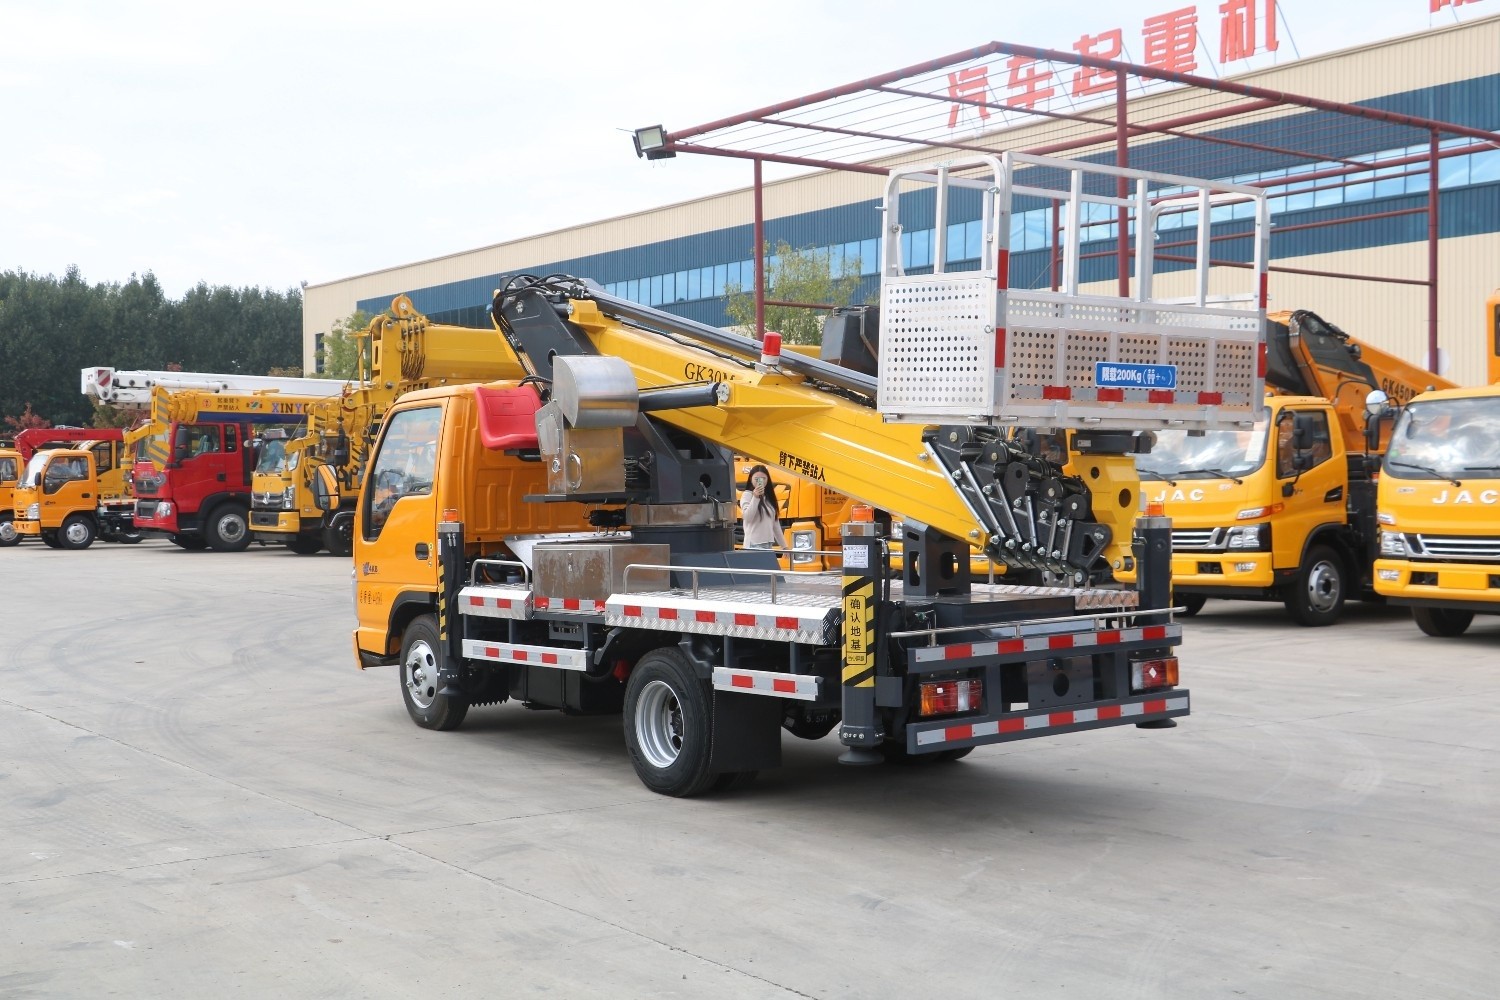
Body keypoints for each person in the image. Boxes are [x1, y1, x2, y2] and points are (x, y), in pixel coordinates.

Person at [739, 463, 786, 550]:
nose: (760, 481)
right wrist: (755, 497)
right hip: (753, 544)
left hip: (768, 544)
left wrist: (784, 546)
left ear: (768, 479)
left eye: (763, 478)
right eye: (756, 479)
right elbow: (748, 517)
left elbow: (775, 523)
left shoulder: (768, 497)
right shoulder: (747, 495)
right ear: (751, 479)